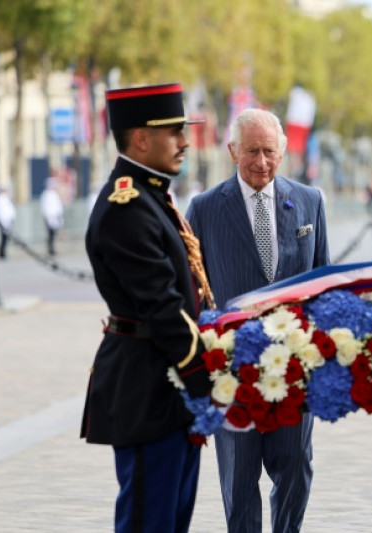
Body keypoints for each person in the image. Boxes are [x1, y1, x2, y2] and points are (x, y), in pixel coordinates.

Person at [186, 108, 330, 533]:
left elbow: (324, 282)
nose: (262, 162)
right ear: (232, 150)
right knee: (239, 480)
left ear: (283, 152)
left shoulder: (309, 201)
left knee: (295, 474)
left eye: (270, 151)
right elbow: (195, 294)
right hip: (234, 375)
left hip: (295, 372)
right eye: (252, 151)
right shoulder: (206, 208)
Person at [81, 82, 215, 533]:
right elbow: (161, 305)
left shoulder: (151, 196)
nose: (185, 142)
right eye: (174, 132)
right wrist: (205, 373)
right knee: (147, 522)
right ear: (141, 138)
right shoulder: (128, 205)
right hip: (148, 389)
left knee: (173, 520)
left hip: (169, 388)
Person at [40, 177, 63, 256]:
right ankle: (50, 249)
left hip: (55, 217)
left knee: (53, 235)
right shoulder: (46, 195)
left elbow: (58, 206)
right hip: (50, 217)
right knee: (50, 235)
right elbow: (45, 207)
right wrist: (47, 217)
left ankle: (52, 249)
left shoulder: (54, 194)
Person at [0, 184, 16, 259]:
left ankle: (3, 252)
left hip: (8, 221)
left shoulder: (6, 198)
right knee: (3, 238)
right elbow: (0, 212)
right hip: (3, 221)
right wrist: (2, 223)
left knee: (5, 238)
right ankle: (2, 253)